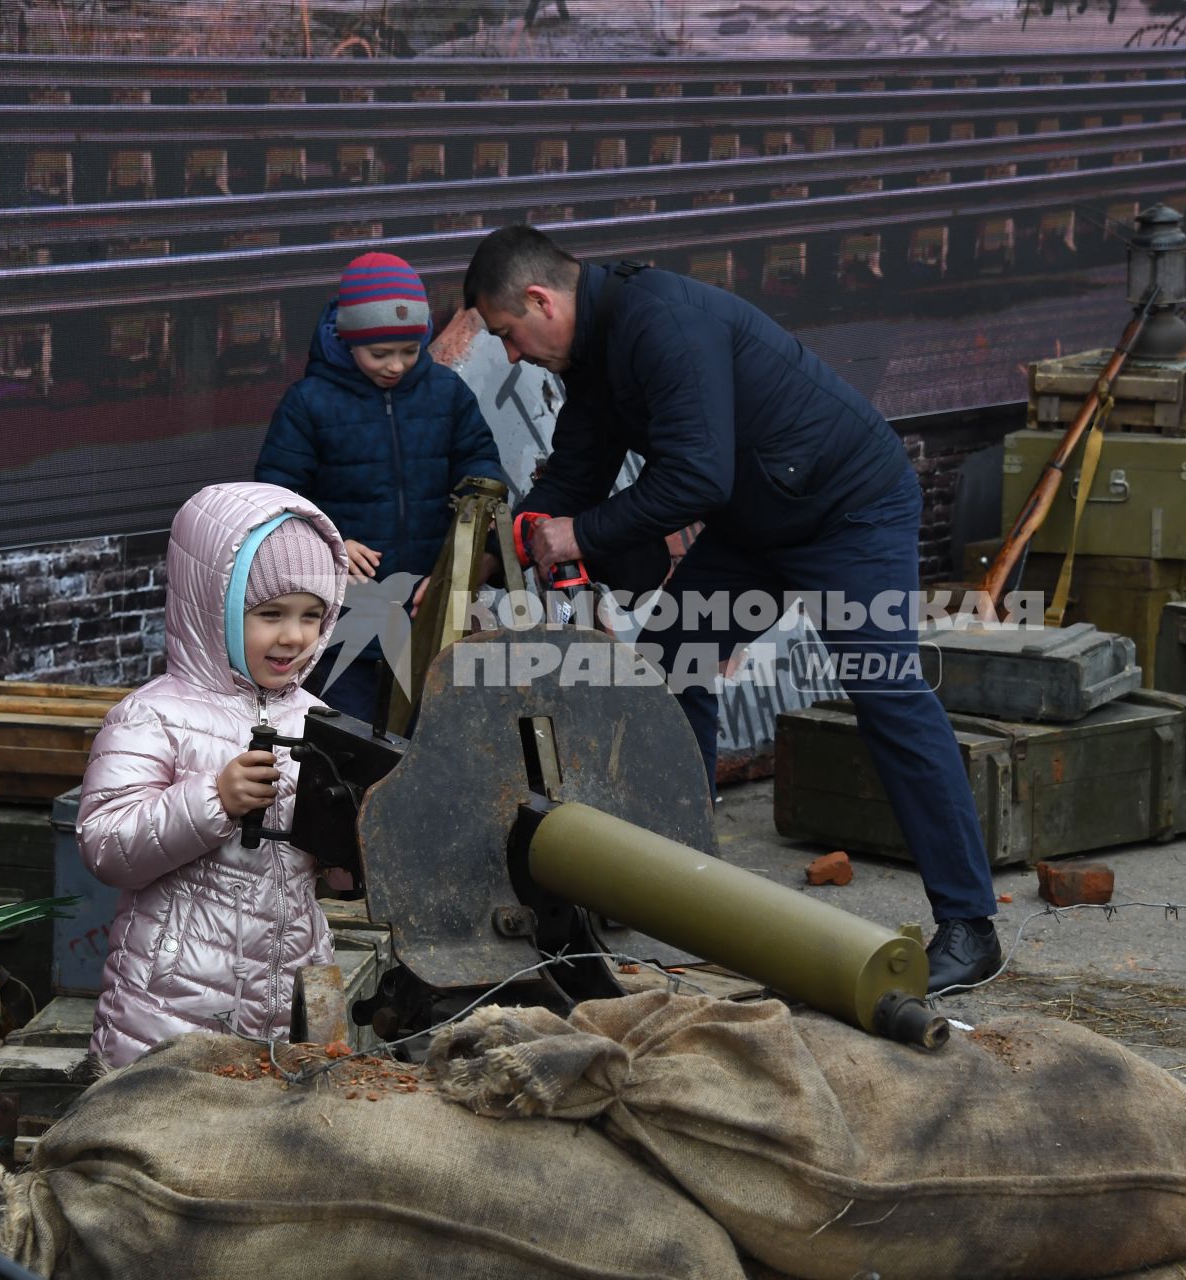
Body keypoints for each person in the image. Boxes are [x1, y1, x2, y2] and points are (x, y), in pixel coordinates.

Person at [462, 225, 1002, 991]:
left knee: (884, 688)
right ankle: (683, 873)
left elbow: (695, 480)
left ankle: (971, 926)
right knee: (669, 660)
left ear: (542, 300)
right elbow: (576, 474)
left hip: (850, 508)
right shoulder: (595, 355)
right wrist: (490, 553)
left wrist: (578, 533)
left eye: (508, 335)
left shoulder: (662, 324)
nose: (510, 355)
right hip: (761, 519)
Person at [78, 482, 348, 1067]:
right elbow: (104, 845)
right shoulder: (154, 714)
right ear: (212, 606)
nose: (294, 637)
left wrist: (355, 847)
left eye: (312, 616)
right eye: (269, 614)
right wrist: (213, 799)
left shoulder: (317, 721)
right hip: (170, 1013)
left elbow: (321, 870)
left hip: (289, 1002)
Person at [256, 251, 505, 721]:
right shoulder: (308, 404)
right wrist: (331, 544)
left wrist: (463, 564)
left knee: (428, 736)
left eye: (410, 351)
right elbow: (275, 499)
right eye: (379, 353)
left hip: (428, 613)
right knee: (347, 737)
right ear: (347, 340)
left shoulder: (447, 394)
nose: (396, 365)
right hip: (342, 619)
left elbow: (482, 469)